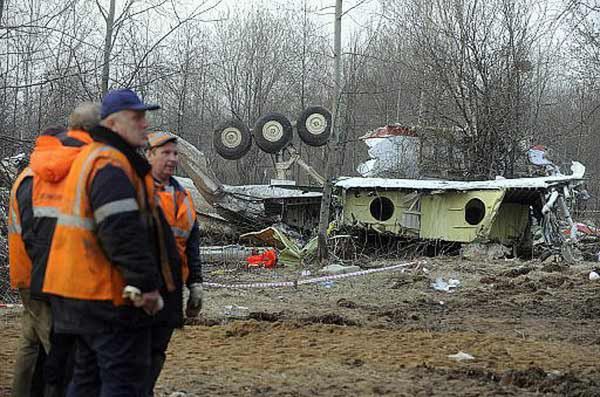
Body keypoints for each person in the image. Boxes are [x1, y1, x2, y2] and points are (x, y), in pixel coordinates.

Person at [42, 89, 169, 395]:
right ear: (113, 124)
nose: (145, 124)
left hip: (80, 296)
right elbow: (121, 232)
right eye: (136, 117)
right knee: (123, 382)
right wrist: (146, 286)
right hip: (105, 299)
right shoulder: (110, 165)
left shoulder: (94, 158)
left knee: (86, 382)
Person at [9, 103, 98, 397]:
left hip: (28, 272)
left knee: (30, 341)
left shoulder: (28, 177)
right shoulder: (36, 179)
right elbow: (40, 235)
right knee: (54, 344)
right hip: (41, 275)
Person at [144, 131, 203, 396]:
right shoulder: (135, 191)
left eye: (175, 154)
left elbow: (191, 244)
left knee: (157, 351)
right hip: (140, 288)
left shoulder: (184, 196)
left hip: (172, 286)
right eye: (164, 153)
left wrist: (196, 284)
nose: (171, 159)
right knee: (134, 352)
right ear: (149, 155)